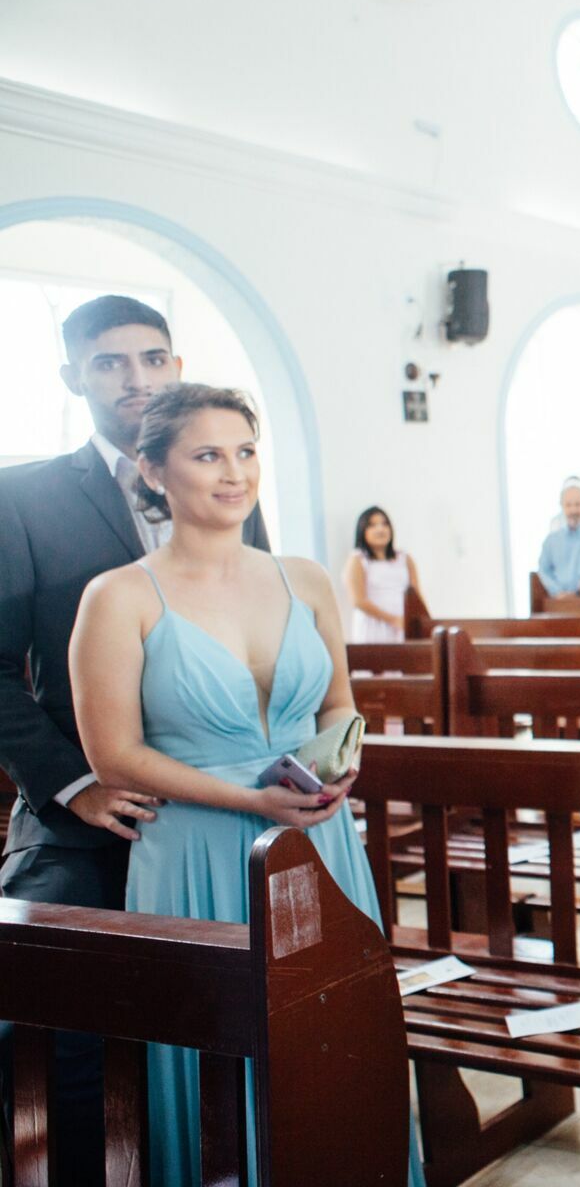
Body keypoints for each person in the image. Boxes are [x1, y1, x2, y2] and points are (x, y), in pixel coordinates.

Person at [66, 383, 422, 1185]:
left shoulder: (305, 579)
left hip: (319, 838)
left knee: (339, 1041)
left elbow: (338, 702)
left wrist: (341, 760)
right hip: (196, 849)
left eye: (246, 452)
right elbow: (115, 753)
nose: (234, 473)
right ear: (154, 472)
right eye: (207, 455)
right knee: (216, 1065)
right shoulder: (119, 596)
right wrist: (251, 802)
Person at [0, 296, 272, 1186]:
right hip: (89, 813)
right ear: (72, 375)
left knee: (246, 1021)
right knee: (57, 1028)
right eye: (111, 362)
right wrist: (77, 785)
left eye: (154, 358)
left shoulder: (226, 486)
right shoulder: (24, 497)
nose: (138, 378)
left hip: (217, 812)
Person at [343, 506, 419, 643]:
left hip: (404, 625)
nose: (380, 529)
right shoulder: (357, 559)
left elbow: (417, 594)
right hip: (373, 626)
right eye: (372, 525)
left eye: (384, 524)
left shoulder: (405, 558)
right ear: (362, 531)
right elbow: (358, 601)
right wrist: (393, 620)